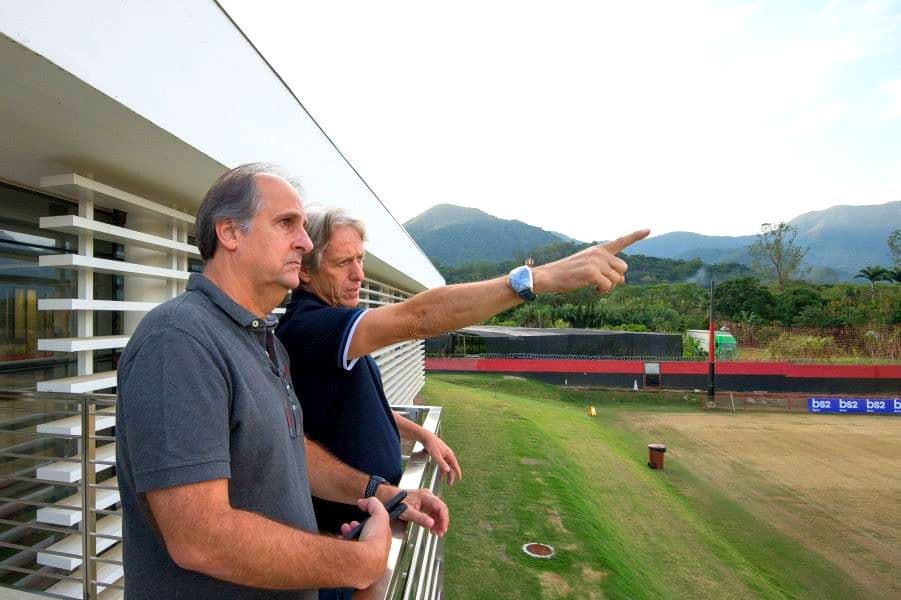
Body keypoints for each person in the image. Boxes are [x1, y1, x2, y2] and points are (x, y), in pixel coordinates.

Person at [116, 164, 447, 600]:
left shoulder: (262, 339)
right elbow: (199, 536)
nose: (305, 242)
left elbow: (290, 449)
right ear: (230, 232)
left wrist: (380, 493)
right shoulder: (179, 341)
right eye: (286, 223)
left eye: (304, 228)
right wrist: (356, 561)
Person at [276, 206, 649, 536]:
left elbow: (355, 408)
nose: (358, 274)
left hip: (371, 514)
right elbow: (419, 317)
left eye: (360, 259)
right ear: (306, 273)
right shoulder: (314, 327)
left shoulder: (331, 327)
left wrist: (420, 432)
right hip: (346, 529)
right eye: (344, 263)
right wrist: (538, 279)